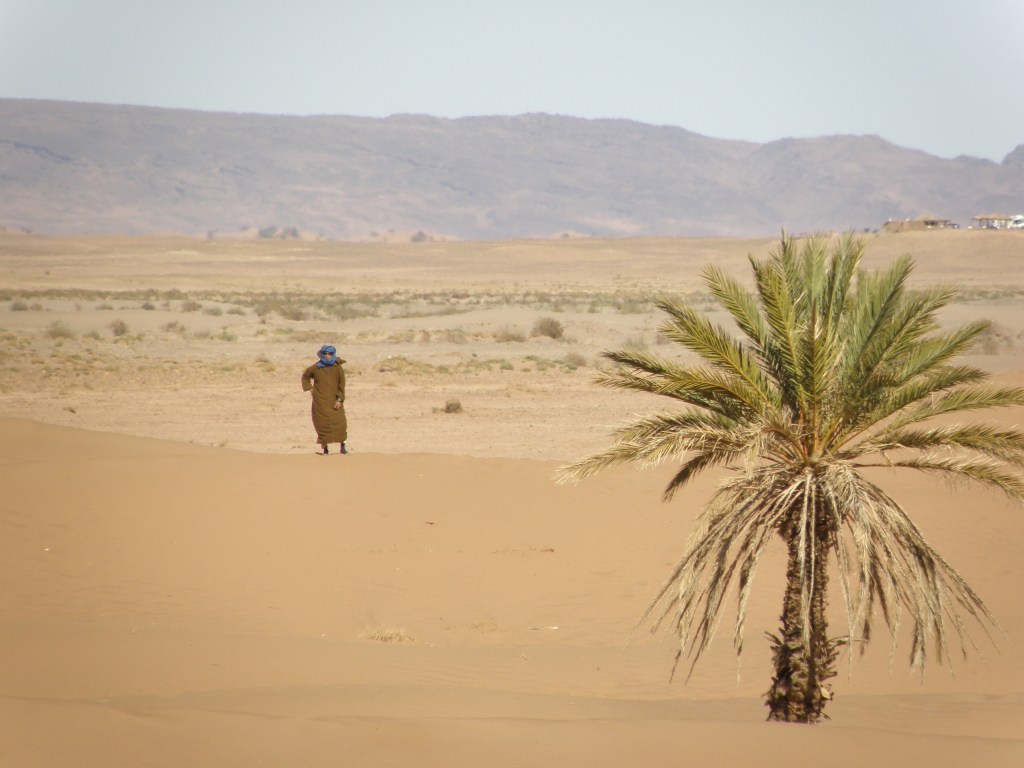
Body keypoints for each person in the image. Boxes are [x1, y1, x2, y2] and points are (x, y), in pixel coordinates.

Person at [301, 344, 348, 455]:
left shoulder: (337, 367)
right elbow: (305, 376)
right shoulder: (316, 367)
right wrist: (310, 389)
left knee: (340, 424)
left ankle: (343, 447)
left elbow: (342, 385)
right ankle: (325, 448)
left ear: (333, 354)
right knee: (321, 424)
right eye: (325, 354)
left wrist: (340, 399)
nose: (327, 356)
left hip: (334, 400)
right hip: (320, 401)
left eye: (330, 354)